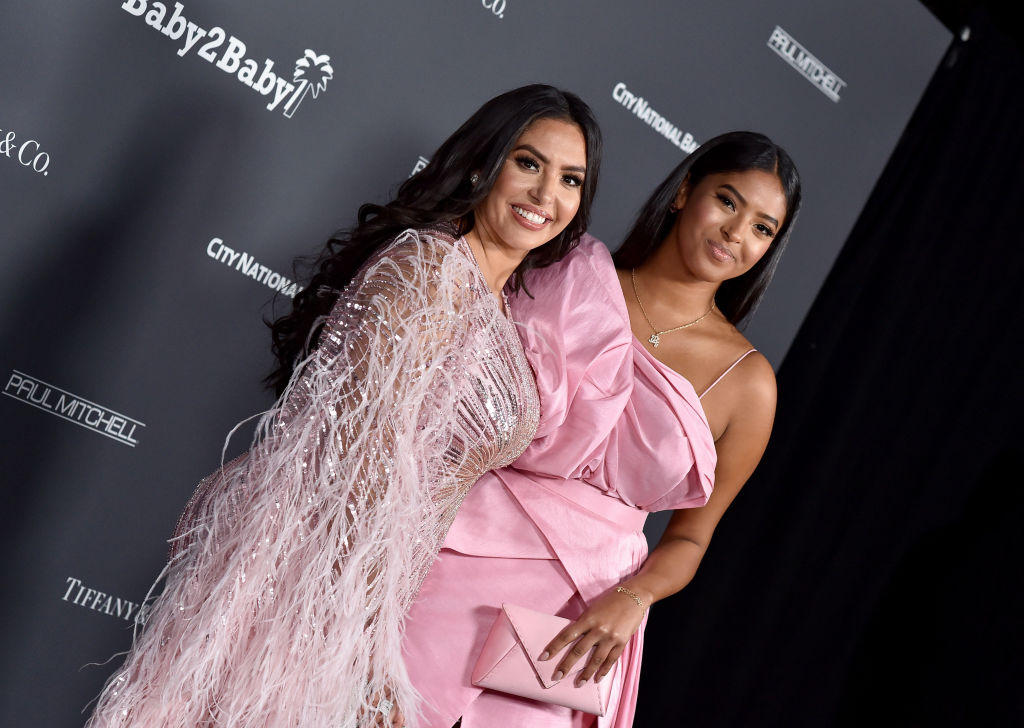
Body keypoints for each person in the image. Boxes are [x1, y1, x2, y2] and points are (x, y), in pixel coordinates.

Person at [85, 84, 602, 728]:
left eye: (571, 179)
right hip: (311, 583)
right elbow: (361, 464)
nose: (546, 194)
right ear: (482, 165)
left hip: (372, 592)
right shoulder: (428, 272)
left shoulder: (500, 306)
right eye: (528, 163)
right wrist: (364, 645)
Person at [401, 131, 801, 727]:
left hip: (581, 615)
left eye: (763, 228)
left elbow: (691, 539)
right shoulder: (564, 274)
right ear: (684, 192)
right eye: (727, 201)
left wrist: (633, 598)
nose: (736, 233)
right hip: (459, 547)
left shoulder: (749, 383)